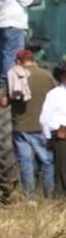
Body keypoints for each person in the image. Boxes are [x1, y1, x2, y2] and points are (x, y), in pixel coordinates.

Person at [0, 49, 56, 198]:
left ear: (19, 62)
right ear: (33, 59)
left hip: (21, 127)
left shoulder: (13, 75)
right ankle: (49, 194)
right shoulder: (47, 75)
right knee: (47, 161)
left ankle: (30, 197)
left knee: (26, 162)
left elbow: (3, 102)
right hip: (42, 127)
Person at [39, 63, 66, 194]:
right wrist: (48, 138)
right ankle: (60, 201)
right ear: (62, 77)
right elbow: (44, 119)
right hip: (61, 136)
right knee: (63, 172)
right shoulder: (54, 94)